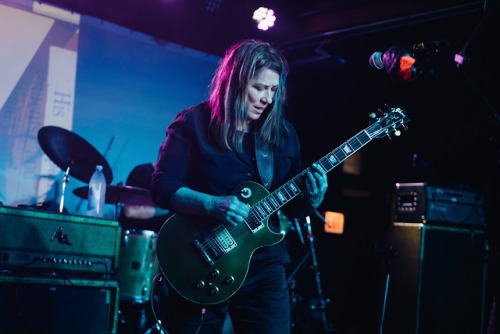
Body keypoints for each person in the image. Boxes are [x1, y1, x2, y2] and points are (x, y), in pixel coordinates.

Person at [150, 39, 328, 334]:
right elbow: (161, 186)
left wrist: (313, 197)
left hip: (264, 266)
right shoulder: (193, 123)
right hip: (201, 258)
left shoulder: (283, 136)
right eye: (259, 88)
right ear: (235, 82)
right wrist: (213, 204)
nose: (266, 99)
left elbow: (294, 206)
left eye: (273, 90)